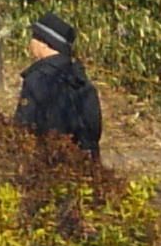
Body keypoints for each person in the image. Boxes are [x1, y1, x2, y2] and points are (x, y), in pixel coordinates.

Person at [14, 12, 103, 157]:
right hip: (83, 163)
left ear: (44, 43)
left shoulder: (37, 79)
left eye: (34, 37)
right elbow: (93, 129)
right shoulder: (80, 78)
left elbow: (24, 126)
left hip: (48, 162)